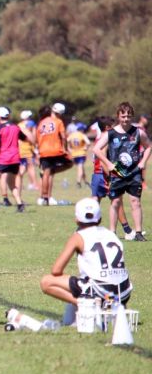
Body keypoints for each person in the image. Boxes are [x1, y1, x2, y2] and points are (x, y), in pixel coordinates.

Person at [39, 197, 132, 314]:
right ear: (100, 219)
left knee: (46, 282)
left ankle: (85, 305)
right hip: (123, 294)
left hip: (100, 291)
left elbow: (56, 271)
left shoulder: (78, 237)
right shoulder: (112, 235)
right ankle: (110, 305)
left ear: (77, 219)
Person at [94, 102, 151, 241]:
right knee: (115, 203)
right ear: (118, 116)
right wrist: (108, 164)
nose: (126, 119)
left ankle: (138, 232)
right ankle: (112, 233)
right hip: (117, 173)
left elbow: (148, 146)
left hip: (134, 173)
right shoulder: (111, 133)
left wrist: (143, 162)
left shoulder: (138, 132)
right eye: (123, 116)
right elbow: (96, 149)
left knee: (135, 202)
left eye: (129, 116)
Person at [0, 107, 28, 212]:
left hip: (3, 159)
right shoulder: (15, 127)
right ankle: (20, 204)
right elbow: (25, 138)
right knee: (12, 184)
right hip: (15, 159)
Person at [36, 103, 72, 205]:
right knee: (70, 163)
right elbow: (63, 137)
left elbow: (37, 138)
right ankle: (46, 197)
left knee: (47, 173)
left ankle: (44, 197)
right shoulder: (58, 121)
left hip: (43, 150)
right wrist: (65, 149)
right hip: (56, 150)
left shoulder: (41, 122)